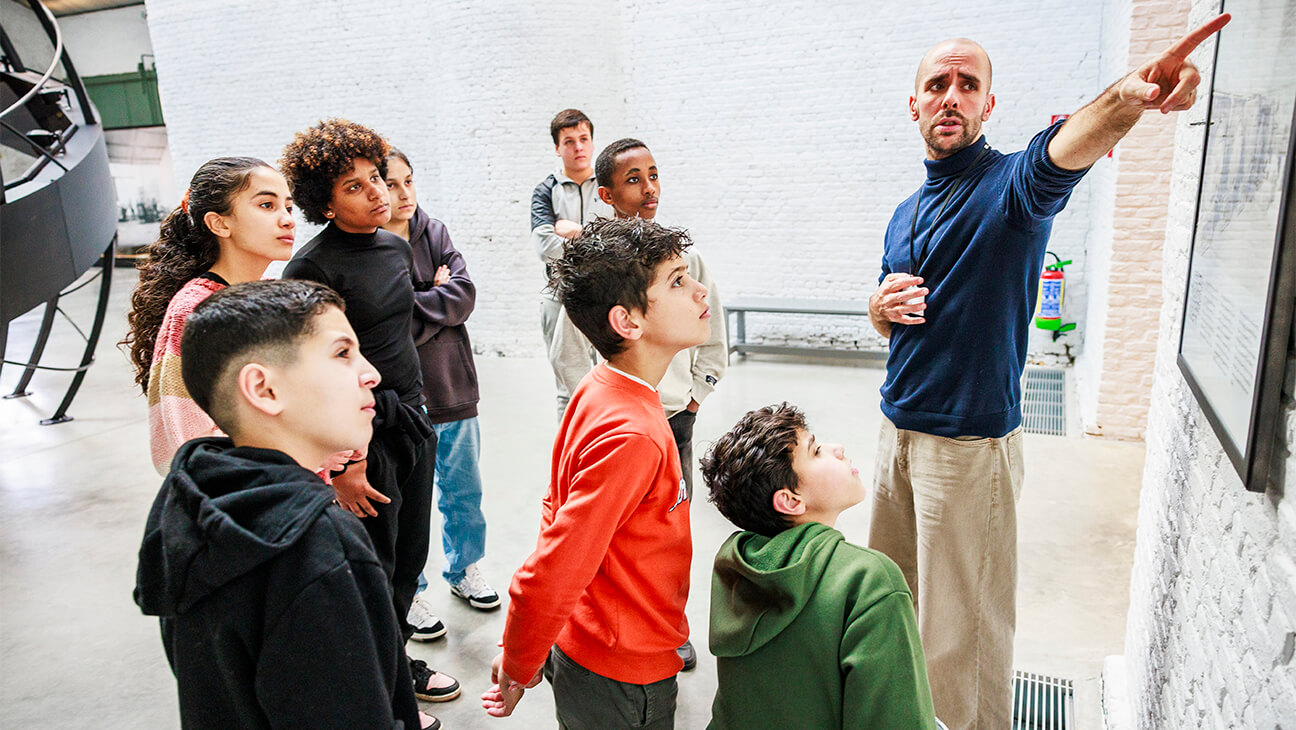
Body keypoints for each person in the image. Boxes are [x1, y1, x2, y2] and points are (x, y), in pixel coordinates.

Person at [865, 18, 1230, 729]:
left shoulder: (1011, 190)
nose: (951, 96)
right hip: (895, 438)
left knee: (961, 652)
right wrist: (878, 308)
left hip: (967, 454)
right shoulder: (905, 212)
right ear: (913, 104)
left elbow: (1063, 151)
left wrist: (1128, 97)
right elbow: (891, 311)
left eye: (967, 85)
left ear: (988, 106)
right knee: (892, 614)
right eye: (936, 84)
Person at [132, 279, 432, 730]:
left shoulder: (194, 505)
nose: (371, 374)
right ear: (264, 389)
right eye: (342, 353)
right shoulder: (322, 547)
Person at [483, 216, 711, 728]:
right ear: (627, 322)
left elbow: (553, 512)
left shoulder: (600, 385)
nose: (699, 289)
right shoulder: (632, 435)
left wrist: (527, 646)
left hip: (595, 646)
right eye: (677, 280)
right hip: (623, 674)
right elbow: (555, 566)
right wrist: (520, 661)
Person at [279, 119, 460, 706]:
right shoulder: (310, 269)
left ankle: (396, 660)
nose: (378, 191)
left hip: (414, 419)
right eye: (354, 187)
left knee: (410, 558)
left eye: (375, 177)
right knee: (373, 566)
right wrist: (346, 463)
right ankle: (382, 685)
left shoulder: (392, 246)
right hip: (363, 434)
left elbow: (397, 336)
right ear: (324, 205)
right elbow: (316, 376)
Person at [550, 137, 728, 670]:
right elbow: (571, 350)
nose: (649, 188)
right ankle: (612, 629)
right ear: (604, 194)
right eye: (633, 179)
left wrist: (696, 396)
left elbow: (712, 322)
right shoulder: (599, 267)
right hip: (627, 420)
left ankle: (668, 625)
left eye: (654, 174)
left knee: (668, 531)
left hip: (675, 418)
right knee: (613, 536)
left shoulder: (685, 255)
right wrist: (608, 405)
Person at [700, 403, 939, 729]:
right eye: (816, 451)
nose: (837, 449)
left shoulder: (736, 571)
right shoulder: (867, 582)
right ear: (790, 500)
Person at [382, 149, 499, 644]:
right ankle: (413, 590)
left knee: (463, 490)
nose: (405, 193)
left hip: (453, 387)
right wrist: (434, 298)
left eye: (409, 181)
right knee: (409, 502)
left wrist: (418, 304)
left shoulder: (435, 232)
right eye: (392, 184)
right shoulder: (369, 249)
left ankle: (466, 569)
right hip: (404, 399)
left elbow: (464, 295)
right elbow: (389, 323)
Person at [122, 157, 296, 474]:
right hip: (250, 497)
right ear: (219, 223)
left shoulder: (276, 295)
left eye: (288, 207)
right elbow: (184, 440)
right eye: (267, 205)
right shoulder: (195, 309)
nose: (287, 220)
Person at [531, 108, 610, 418]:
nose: (578, 147)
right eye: (569, 141)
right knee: (569, 388)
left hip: (605, 291)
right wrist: (596, 239)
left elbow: (618, 239)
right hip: (559, 292)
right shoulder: (545, 190)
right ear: (557, 148)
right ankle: (571, 456)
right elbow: (546, 247)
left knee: (610, 375)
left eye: (583, 139)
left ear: (591, 143)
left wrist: (574, 232)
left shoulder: (607, 184)